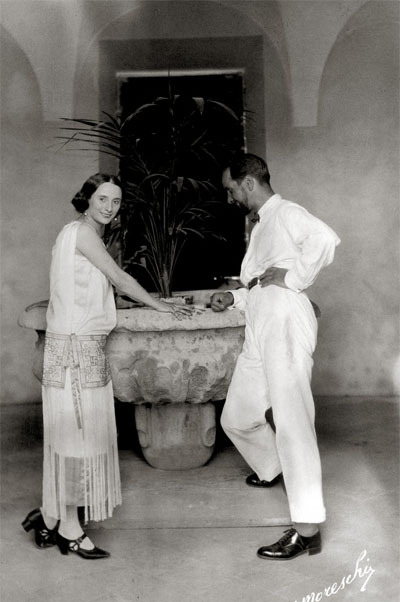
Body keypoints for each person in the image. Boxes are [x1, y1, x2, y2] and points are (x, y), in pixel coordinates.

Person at [22, 173, 192, 559]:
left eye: (115, 202)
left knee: (71, 436)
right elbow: (116, 277)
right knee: (75, 439)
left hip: (75, 347)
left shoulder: (74, 233)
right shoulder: (83, 233)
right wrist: (160, 305)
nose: (109, 208)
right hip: (76, 352)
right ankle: (68, 528)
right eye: (102, 199)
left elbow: (91, 287)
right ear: (87, 198)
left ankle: (50, 516)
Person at [211, 154, 340, 560]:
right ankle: (275, 468)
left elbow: (325, 238)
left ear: (248, 182)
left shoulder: (285, 212)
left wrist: (295, 278)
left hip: (284, 323)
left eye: (231, 189)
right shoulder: (263, 224)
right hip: (261, 324)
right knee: (237, 416)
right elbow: (260, 283)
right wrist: (232, 297)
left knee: (293, 422)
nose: (231, 198)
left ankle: (306, 529)